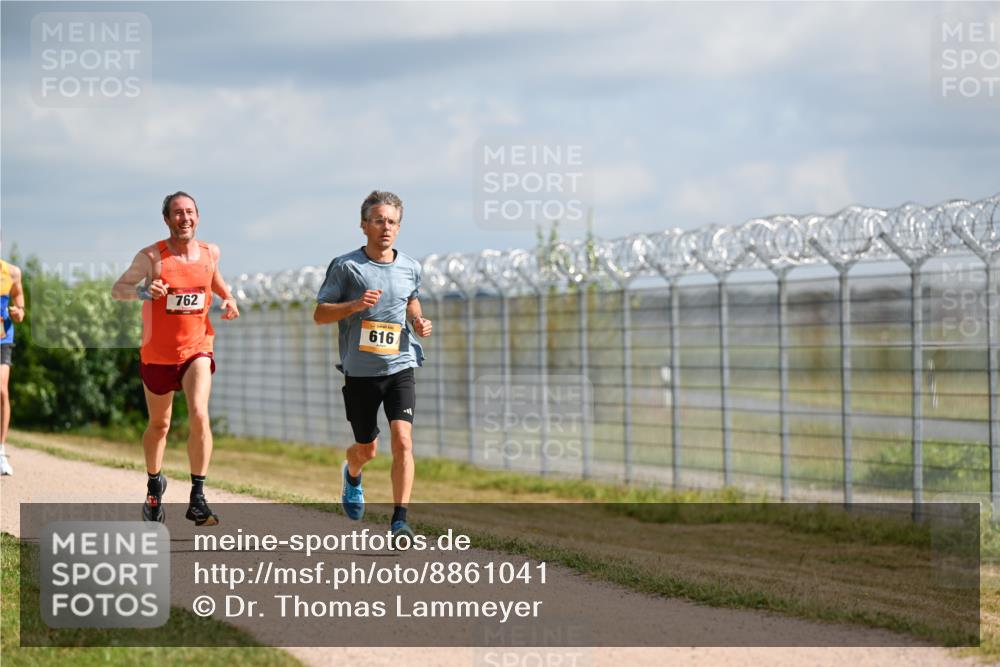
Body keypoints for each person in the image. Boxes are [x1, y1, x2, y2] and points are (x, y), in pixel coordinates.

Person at [112, 191, 239, 525]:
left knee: (199, 412)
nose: (185, 218)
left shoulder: (211, 253)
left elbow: (212, 279)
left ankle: (198, 497)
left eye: (190, 212)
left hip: (197, 348)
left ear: (198, 217)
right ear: (167, 219)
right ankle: (155, 485)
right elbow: (118, 289)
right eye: (178, 213)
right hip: (157, 354)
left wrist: (229, 298)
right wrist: (143, 291)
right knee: (160, 425)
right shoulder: (152, 257)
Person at [314, 190, 432, 546]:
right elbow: (320, 314)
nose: (385, 227)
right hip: (361, 372)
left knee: (404, 441)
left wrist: (419, 320)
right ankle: (352, 474)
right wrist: (352, 305)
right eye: (378, 220)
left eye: (392, 221)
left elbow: (411, 299)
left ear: (399, 227)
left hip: (400, 365)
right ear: (364, 225)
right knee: (367, 449)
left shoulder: (410, 266)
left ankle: (400, 521)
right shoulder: (346, 266)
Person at [0, 257, 25, 476]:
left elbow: (18, 297)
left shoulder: (12, 272)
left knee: (2, 391)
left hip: (2, 338)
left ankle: (0, 452)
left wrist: (20, 311)